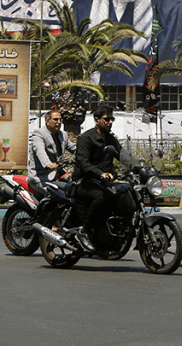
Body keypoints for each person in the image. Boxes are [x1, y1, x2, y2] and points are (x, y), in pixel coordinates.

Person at [71, 102, 127, 251]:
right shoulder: (86, 138)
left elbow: (122, 155)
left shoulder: (111, 139)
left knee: (124, 195)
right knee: (103, 197)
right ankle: (83, 232)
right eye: (106, 119)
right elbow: (83, 162)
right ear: (96, 120)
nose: (110, 122)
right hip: (83, 181)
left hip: (103, 181)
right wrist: (100, 173)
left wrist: (141, 168)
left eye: (111, 119)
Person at [27, 110, 68, 190]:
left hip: (57, 176)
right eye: (55, 119)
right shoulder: (39, 134)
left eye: (60, 120)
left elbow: (74, 147)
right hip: (41, 179)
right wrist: (48, 164)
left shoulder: (63, 134)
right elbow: (40, 150)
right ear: (47, 122)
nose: (59, 122)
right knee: (57, 195)